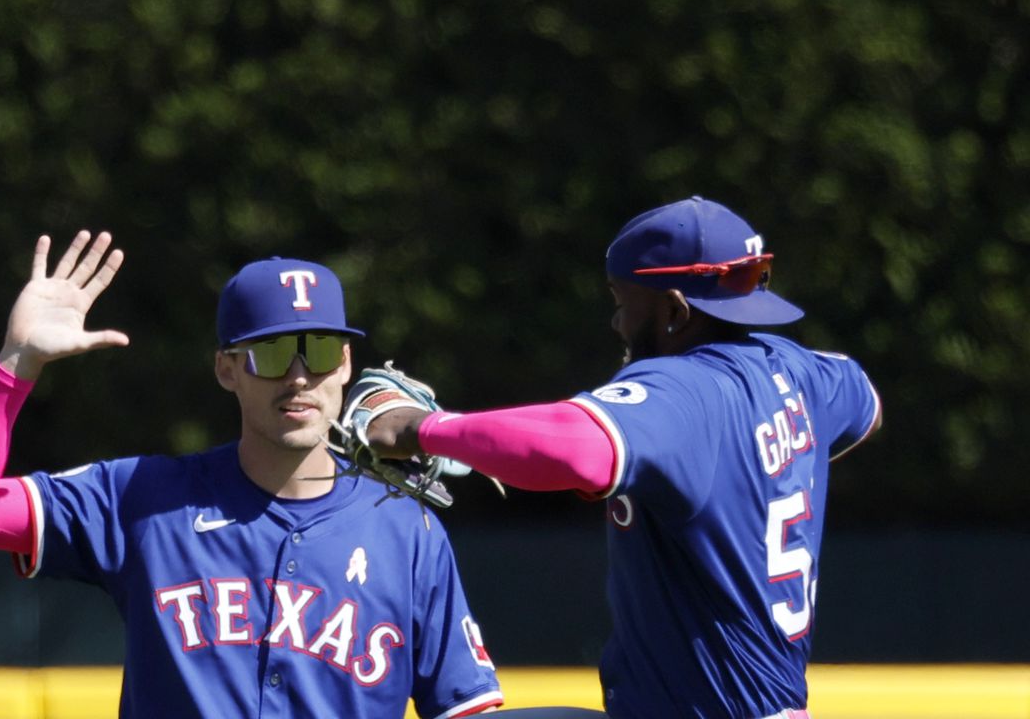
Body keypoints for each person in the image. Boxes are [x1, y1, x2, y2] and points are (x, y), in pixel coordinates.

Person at [0, 230, 504, 719]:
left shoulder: (407, 531)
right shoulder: (143, 497)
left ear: (346, 364)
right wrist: (16, 363)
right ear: (227, 369)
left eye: (320, 351)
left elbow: (463, 705)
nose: (299, 377)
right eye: (272, 354)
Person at [361, 196, 883, 719]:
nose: (616, 320)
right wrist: (770, 468)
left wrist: (417, 429)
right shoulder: (798, 371)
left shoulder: (685, 389)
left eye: (622, 297)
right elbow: (866, 403)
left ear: (676, 311)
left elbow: (574, 449)